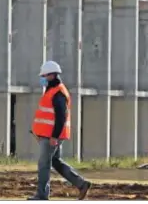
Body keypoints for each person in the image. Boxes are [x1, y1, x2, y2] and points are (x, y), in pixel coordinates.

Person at [28, 60, 91, 201]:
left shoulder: (58, 93)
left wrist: (54, 136)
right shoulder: (51, 91)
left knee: (44, 164)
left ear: (52, 75)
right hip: (47, 135)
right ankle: (81, 184)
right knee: (55, 162)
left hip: (51, 136)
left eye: (44, 76)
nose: (42, 79)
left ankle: (42, 195)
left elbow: (61, 117)